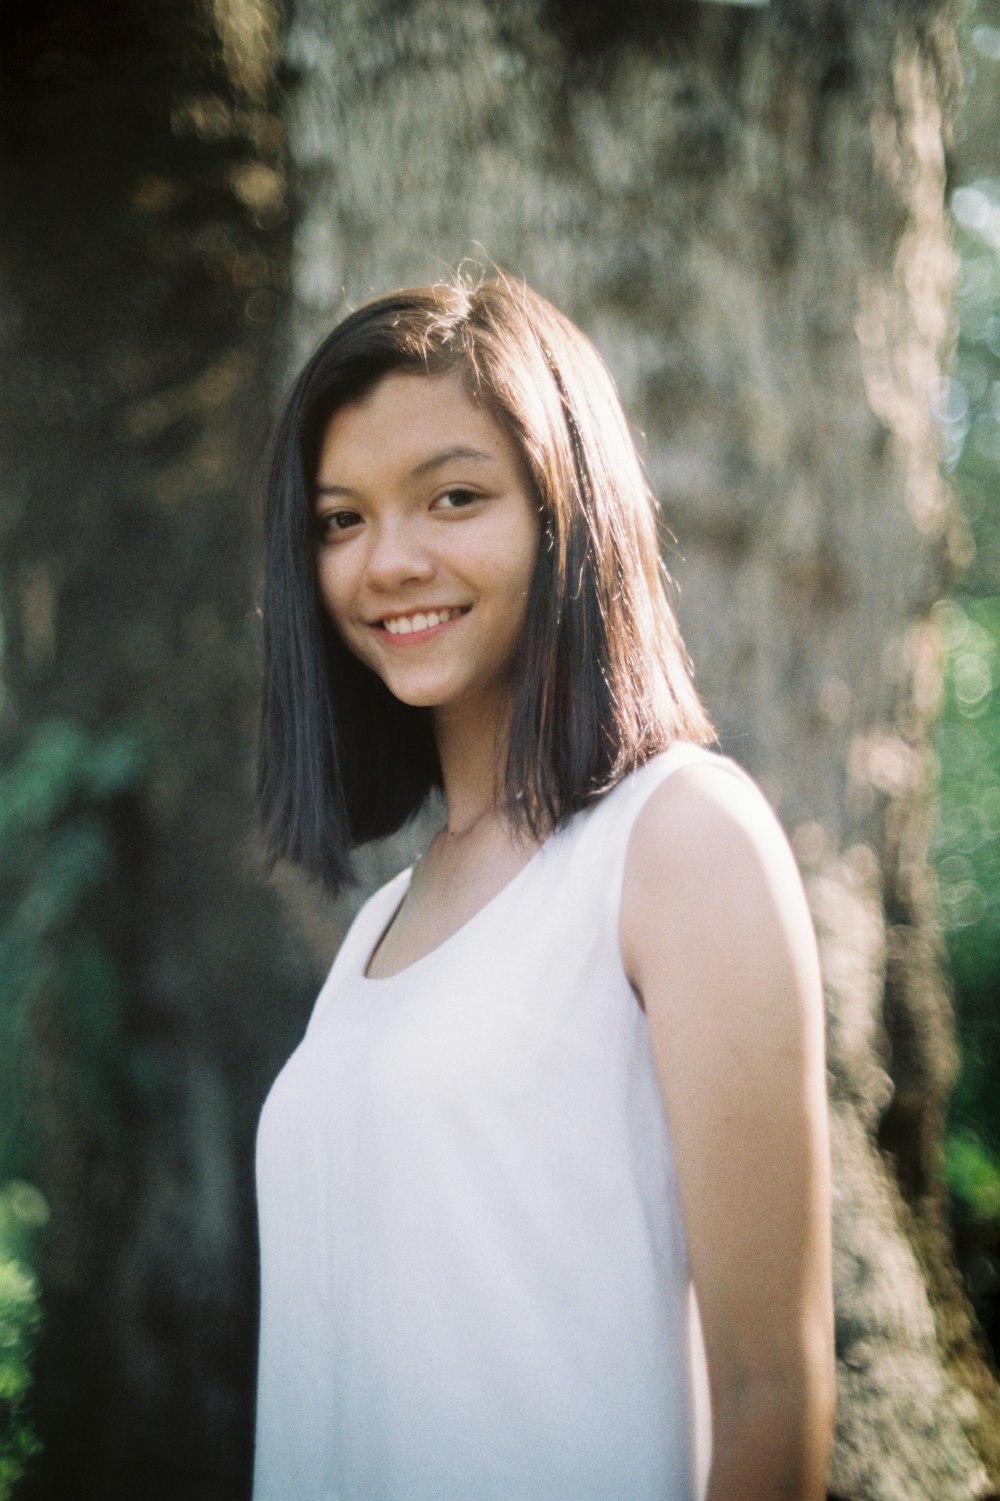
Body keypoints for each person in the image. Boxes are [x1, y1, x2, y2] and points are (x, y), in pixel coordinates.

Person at [253, 271, 836, 1501]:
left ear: (568, 513)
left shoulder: (675, 838)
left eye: (453, 497)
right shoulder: (379, 922)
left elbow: (774, 1390)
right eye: (339, 520)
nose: (388, 560)